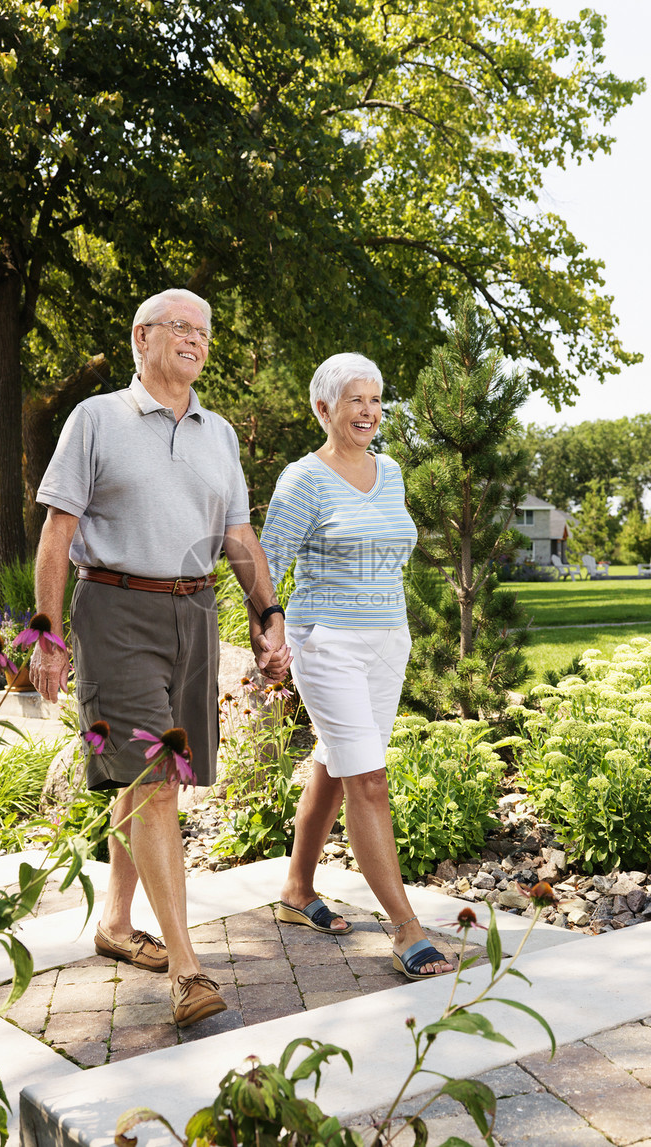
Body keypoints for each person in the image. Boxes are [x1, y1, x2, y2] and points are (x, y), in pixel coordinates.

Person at [30, 288, 290, 1028]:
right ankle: (187, 967)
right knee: (156, 781)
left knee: (151, 779)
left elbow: (239, 535)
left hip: (195, 611)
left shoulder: (220, 434)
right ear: (142, 335)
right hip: (115, 610)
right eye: (183, 327)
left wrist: (267, 613)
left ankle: (115, 922)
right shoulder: (97, 418)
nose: (197, 341)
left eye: (205, 332)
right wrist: (45, 631)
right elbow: (57, 531)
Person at [257, 352, 454, 979]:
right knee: (369, 778)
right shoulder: (303, 479)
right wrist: (270, 636)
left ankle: (296, 888)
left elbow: (393, 550)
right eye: (354, 401)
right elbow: (265, 562)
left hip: (387, 640)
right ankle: (406, 929)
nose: (368, 412)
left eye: (375, 400)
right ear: (324, 409)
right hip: (328, 643)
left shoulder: (390, 471)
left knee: (335, 761)